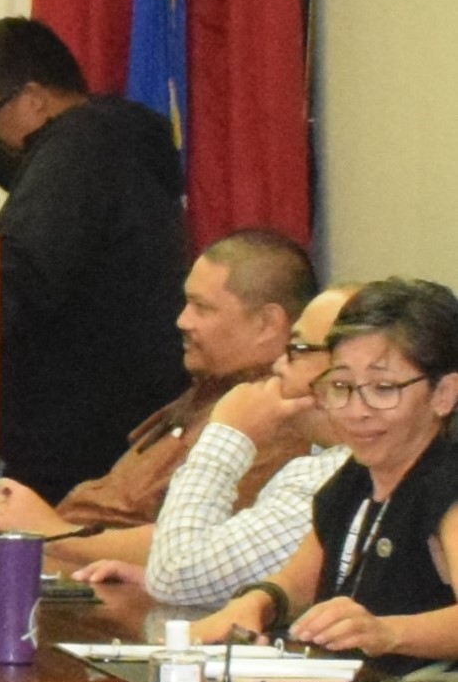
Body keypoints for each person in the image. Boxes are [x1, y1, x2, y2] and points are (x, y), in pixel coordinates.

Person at [0, 16, 188, 501]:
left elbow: (18, 275)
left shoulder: (80, 147)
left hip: (77, 431)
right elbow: (26, 170)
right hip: (123, 412)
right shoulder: (114, 136)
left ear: (34, 97)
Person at [0, 228, 320, 570]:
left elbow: (198, 550)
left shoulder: (271, 420)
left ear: (266, 323)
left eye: (202, 308)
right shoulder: (208, 393)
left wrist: (53, 533)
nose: (182, 320)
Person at [191, 277, 458, 660]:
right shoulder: (355, 476)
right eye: (342, 386)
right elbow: (297, 585)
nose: (356, 410)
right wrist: (257, 603)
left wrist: (388, 632)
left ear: (444, 394)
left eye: (384, 389)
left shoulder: (448, 483)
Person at [73, 282, 353, 609]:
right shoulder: (319, 463)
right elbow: (204, 573)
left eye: (297, 349)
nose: (279, 365)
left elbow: (176, 571)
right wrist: (161, 580)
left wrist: (227, 436)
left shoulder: (328, 475)